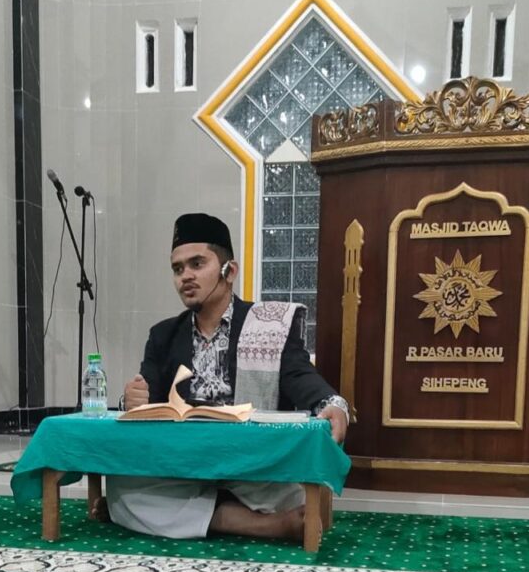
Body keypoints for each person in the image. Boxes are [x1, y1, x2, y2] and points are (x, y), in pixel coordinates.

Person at [103, 213, 349, 540]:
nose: (186, 276)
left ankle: (200, 513)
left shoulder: (269, 326)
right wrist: (131, 400)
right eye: (178, 269)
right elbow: (147, 401)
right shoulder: (163, 335)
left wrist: (333, 404)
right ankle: (261, 524)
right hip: (186, 467)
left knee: (126, 504)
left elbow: (301, 376)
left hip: (255, 466)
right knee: (120, 485)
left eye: (197, 264)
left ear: (229, 271)